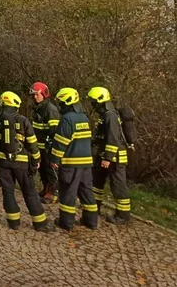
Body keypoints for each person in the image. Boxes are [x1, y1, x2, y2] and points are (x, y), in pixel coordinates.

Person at [0, 91, 52, 231]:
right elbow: (32, 143)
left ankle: (13, 223)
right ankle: (40, 224)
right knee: (29, 192)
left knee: (8, 191)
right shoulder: (23, 120)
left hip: (3, 162)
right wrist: (37, 159)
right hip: (22, 163)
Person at [51, 87, 98, 231]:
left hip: (70, 163)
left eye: (60, 101)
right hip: (86, 163)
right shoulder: (84, 117)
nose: (59, 105)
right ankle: (91, 221)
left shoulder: (67, 119)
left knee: (68, 192)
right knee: (86, 191)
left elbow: (60, 142)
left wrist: (54, 160)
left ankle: (66, 222)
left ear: (67, 101)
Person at [89, 87, 132, 225]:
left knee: (118, 185)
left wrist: (108, 158)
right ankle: (94, 208)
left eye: (93, 101)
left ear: (100, 101)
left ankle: (123, 215)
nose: (92, 104)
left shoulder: (111, 116)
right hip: (105, 155)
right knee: (97, 182)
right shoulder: (105, 115)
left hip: (115, 158)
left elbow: (113, 139)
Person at [30, 82, 61, 204]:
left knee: (50, 170)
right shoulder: (38, 108)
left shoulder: (50, 110)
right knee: (42, 169)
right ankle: (46, 189)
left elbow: (54, 130)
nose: (34, 97)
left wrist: (50, 144)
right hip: (39, 146)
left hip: (48, 147)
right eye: (33, 95)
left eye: (36, 95)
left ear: (43, 94)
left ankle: (53, 194)